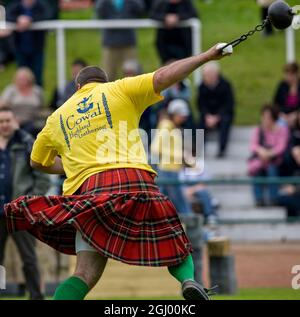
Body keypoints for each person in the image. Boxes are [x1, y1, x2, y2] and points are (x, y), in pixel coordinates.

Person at [4, 43, 231, 300]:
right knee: (175, 242)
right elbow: (164, 76)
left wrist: (71, 165)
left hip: (90, 195)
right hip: (135, 184)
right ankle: (189, 281)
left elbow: (37, 161)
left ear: (78, 88)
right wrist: (207, 56)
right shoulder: (119, 88)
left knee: (85, 274)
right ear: (104, 82)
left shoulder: (57, 117)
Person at [0, 107, 50, 300]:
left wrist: (29, 202)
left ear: (15, 122)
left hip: (20, 213)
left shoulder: (26, 143)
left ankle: (36, 296)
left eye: (7, 121)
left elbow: (42, 176)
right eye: (1, 121)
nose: (4, 125)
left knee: (29, 259)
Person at [151, 99, 194, 215]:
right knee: (182, 205)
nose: (183, 118)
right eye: (181, 115)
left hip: (172, 171)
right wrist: (181, 156)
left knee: (163, 205)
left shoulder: (173, 127)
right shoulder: (166, 126)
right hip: (167, 171)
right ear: (173, 114)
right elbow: (156, 148)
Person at [248, 105, 289, 207]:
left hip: (276, 161)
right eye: (264, 117)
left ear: (274, 119)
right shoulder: (259, 130)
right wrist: (261, 151)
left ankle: (274, 198)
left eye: (268, 118)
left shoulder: (282, 130)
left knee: (272, 169)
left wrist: (269, 153)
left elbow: (281, 146)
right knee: (257, 172)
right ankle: (259, 199)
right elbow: (253, 145)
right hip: (261, 160)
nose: (265, 120)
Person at [95, 0, 144, 81]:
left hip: (128, 42)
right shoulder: (103, 2)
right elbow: (99, 11)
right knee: (107, 75)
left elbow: (140, 9)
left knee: (132, 75)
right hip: (110, 43)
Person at [6, 0, 50, 86]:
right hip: (20, 47)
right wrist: (18, 19)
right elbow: (8, 16)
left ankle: (37, 97)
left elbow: (47, 15)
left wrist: (30, 20)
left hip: (37, 48)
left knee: (37, 75)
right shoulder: (16, 6)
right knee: (22, 76)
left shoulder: (41, 5)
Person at [197, 62, 235, 158]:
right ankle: (199, 149)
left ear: (215, 74)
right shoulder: (202, 86)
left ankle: (222, 150)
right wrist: (207, 116)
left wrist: (217, 117)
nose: (205, 77)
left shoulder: (226, 85)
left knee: (225, 122)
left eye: (207, 75)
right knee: (199, 124)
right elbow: (200, 104)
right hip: (207, 115)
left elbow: (229, 104)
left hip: (222, 115)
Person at [0, 67, 44, 136]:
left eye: (24, 78)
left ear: (29, 79)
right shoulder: (10, 90)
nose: (21, 80)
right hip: (13, 120)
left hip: (32, 120)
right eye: (19, 78)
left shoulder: (37, 91)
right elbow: (2, 105)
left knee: (34, 127)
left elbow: (42, 107)